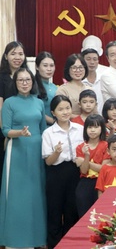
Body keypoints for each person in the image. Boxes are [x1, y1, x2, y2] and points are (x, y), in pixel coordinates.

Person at [0, 68, 47, 248]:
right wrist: (20, 132)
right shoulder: (10, 103)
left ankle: (36, 239)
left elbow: (43, 129)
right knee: (17, 196)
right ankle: (14, 240)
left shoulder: (39, 103)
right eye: (21, 80)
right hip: (17, 151)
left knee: (36, 195)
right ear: (15, 83)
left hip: (37, 151)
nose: (25, 83)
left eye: (28, 79)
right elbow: (5, 130)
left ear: (33, 82)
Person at [41, 95, 84, 248]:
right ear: (53, 112)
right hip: (56, 173)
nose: (65, 112)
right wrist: (56, 153)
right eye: (60, 109)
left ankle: (71, 244)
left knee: (72, 210)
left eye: (67, 108)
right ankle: (54, 244)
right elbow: (48, 161)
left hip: (75, 171)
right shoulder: (49, 133)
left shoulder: (80, 129)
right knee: (55, 209)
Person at [0, 41, 29, 186]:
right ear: (6, 56)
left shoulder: (27, 77)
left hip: (25, 130)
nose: (17, 57)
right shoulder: (2, 78)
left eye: (20, 54)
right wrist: (5, 133)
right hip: (6, 131)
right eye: (13, 54)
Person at [74, 114, 109, 217]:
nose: (92, 130)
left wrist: (85, 161)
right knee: (84, 216)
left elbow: (103, 169)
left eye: (96, 127)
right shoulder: (81, 147)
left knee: (101, 216)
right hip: (85, 183)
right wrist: (87, 155)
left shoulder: (106, 145)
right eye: (90, 127)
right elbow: (84, 171)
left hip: (101, 182)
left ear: (102, 129)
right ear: (85, 129)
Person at [81, 35, 108, 114]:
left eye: (95, 59)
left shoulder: (106, 73)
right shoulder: (78, 77)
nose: (92, 62)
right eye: (88, 59)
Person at [35, 51, 57, 126]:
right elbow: (34, 110)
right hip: (41, 128)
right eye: (45, 65)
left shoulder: (54, 87)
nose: (49, 69)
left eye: (51, 65)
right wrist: (53, 121)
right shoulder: (33, 86)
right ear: (37, 67)